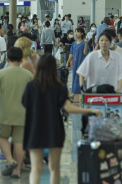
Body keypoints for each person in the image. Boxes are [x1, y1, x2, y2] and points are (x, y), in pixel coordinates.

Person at [23, 54, 102, 184]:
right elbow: (69, 108)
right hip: (54, 130)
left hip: (34, 130)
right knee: (54, 169)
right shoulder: (58, 86)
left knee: (36, 168)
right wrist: (90, 110)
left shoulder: (31, 86)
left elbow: (25, 106)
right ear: (54, 68)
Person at [0, 47, 33, 178]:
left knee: (2, 137)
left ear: (7, 59)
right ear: (21, 60)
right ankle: (17, 171)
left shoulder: (0, 74)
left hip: (5, 112)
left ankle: (11, 161)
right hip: (22, 113)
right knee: (19, 142)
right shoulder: (29, 75)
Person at [66, 28, 88, 102]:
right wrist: (68, 62)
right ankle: (83, 93)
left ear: (82, 33)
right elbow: (71, 53)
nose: (76, 33)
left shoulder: (84, 43)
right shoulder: (74, 43)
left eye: (78, 32)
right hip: (75, 64)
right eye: (75, 32)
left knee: (77, 78)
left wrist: (85, 44)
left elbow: (85, 53)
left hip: (81, 64)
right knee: (75, 78)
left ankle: (73, 94)